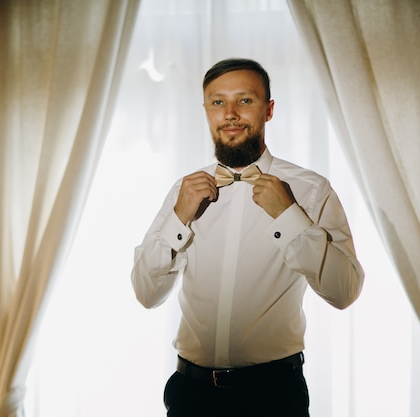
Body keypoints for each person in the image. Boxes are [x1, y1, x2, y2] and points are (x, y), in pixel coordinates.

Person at [131, 58, 364, 417]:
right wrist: (179, 217)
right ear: (207, 110)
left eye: (245, 100)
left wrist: (290, 216)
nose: (230, 114)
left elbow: (344, 292)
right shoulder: (184, 191)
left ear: (268, 110)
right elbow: (146, 294)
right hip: (190, 396)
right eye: (218, 102)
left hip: (273, 396)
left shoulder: (311, 190)